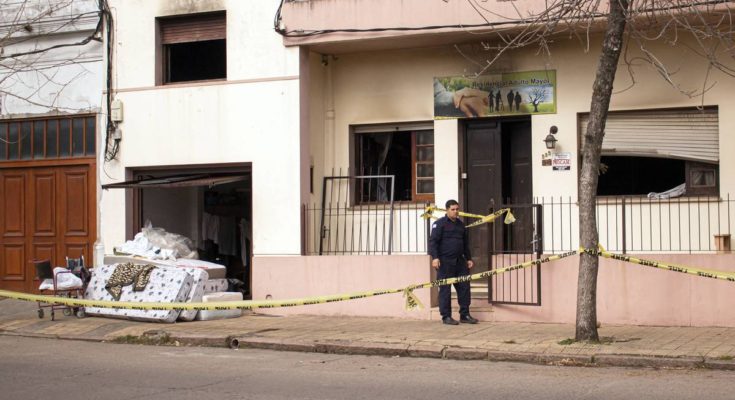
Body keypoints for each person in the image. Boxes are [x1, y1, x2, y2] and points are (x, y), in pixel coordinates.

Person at [428, 200, 478, 325]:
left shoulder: (461, 225)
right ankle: (446, 317)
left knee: (464, 288)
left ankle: (465, 315)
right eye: (453, 209)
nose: (456, 211)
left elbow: (465, 244)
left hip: (460, 262)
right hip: (445, 262)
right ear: (447, 210)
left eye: (457, 209)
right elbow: (433, 242)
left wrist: (469, 259)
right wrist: (435, 257)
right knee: (445, 289)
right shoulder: (439, 224)